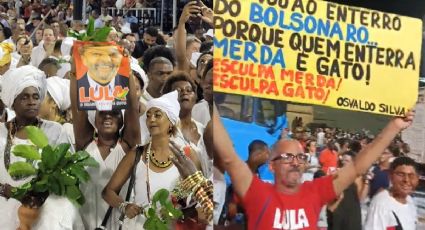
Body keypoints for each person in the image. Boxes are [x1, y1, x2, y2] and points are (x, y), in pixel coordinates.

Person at [213, 105, 414, 229]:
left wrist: (394, 126)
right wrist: (206, 100)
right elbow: (229, 157)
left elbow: (355, 167)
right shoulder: (256, 191)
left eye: (300, 157)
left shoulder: (315, 192)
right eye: (287, 156)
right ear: (271, 166)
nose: (295, 162)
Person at [102, 91, 205, 228]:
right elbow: (108, 191)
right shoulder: (137, 154)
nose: (151, 119)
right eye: (148, 116)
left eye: (157, 115)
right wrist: (124, 206)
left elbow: (202, 201)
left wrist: (178, 212)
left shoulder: (188, 155)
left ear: (171, 122)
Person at [0, 65, 82, 229]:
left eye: (36, 97)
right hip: (4, 202)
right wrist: (11, 193)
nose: (31, 102)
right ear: (13, 102)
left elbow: (69, 172)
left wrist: (39, 195)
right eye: (24, 97)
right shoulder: (1, 132)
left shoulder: (55, 131)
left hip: (45, 206)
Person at [364, 157, 419, 229]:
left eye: (411, 175)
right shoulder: (381, 204)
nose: (406, 180)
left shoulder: (410, 202)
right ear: (390, 176)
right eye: (401, 175)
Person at [76, 43, 128, 110]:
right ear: (84, 59)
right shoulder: (74, 88)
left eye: (112, 54)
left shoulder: (128, 85)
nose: (106, 60)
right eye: (97, 54)